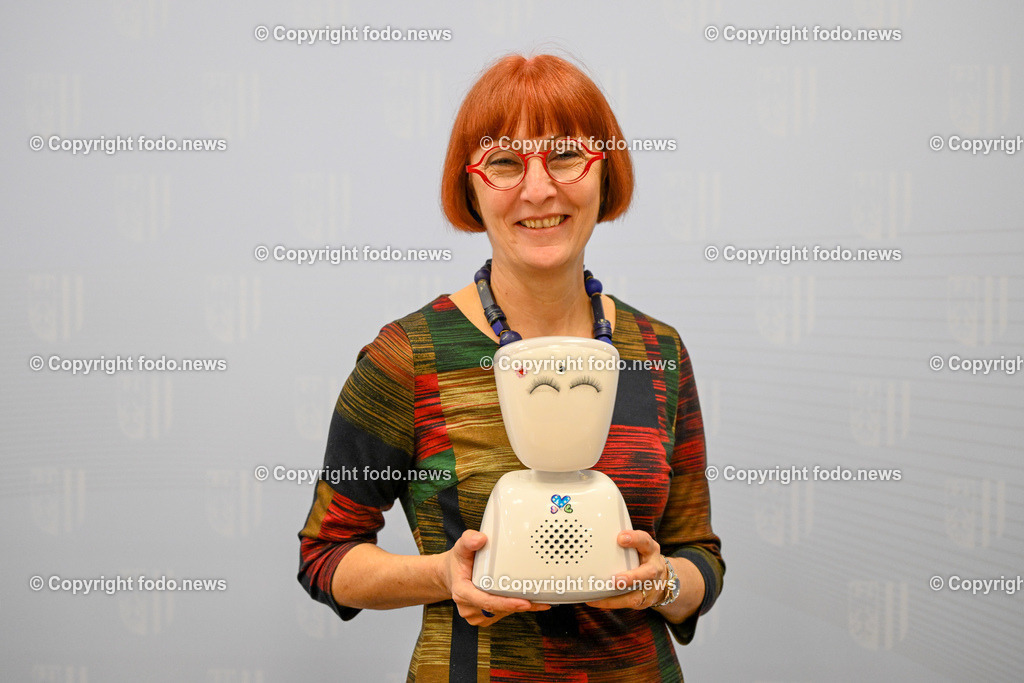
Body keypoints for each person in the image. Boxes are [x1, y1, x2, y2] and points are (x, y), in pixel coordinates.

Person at [298, 53, 724, 682]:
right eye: (503, 163)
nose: (538, 189)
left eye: (565, 156)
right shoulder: (409, 355)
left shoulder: (658, 351)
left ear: (605, 172)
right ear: (469, 186)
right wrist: (443, 574)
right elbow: (326, 558)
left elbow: (699, 560)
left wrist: (660, 584)